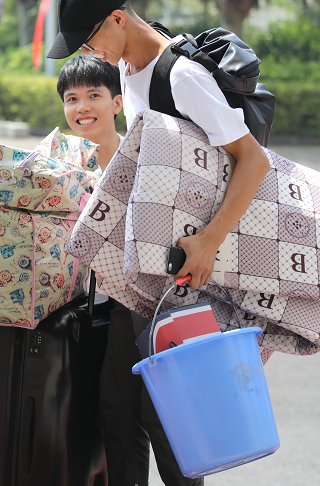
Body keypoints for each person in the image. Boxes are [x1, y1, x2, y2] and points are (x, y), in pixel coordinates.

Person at [47, 1, 271, 486]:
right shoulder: (130, 71)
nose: (90, 52)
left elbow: (253, 161)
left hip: (185, 270)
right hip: (148, 268)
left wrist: (209, 241)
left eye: (90, 39)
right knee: (118, 407)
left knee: (168, 416)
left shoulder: (181, 76)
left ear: (117, 18)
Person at [57, 54, 123, 172]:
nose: (82, 108)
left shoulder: (143, 161)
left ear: (117, 104)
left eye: (94, 96)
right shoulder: (54, 166)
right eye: (72, 99)